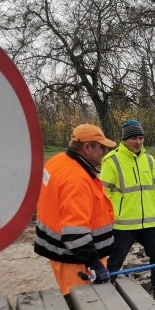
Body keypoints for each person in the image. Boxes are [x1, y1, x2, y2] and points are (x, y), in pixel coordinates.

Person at [34, 124, 116, 296]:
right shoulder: (76, 180)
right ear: (87, 147)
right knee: (83, 304)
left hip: (62, 252)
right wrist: (94, 264)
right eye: (101, 147)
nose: (104, 152)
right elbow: (75, 233)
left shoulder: (57, 162)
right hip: (76, 260)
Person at [101, 119, 155, 303]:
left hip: (148, 223)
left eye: (141, 138)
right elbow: (101, 193)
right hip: (123, 225)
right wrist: (105, 218)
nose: (138, 142)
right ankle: (104, 293)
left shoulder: (149, 160)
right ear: (124, 139)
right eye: (134, 138)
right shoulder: (112, 161)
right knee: (114, 262)